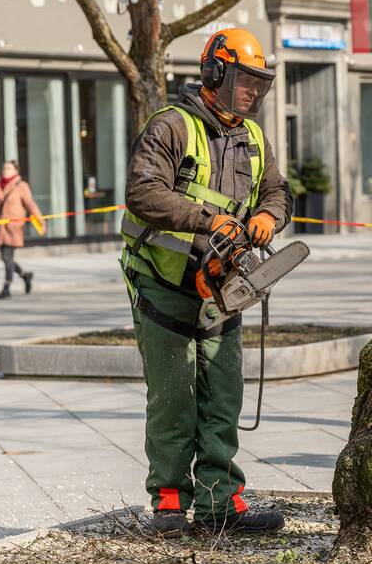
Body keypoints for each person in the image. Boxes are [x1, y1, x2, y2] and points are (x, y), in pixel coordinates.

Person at [120, 28, 292, 538]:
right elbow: (143, 193)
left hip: (222, 286)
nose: (253, 91)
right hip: (163, 283)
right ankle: (170, 503)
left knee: (222, 396)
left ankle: (221, 502)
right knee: (173, 398)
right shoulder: (171, 128)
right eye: (245, 80)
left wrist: (269, 216)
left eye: (260, 83)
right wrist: (207, 219)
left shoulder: (253, 138)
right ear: (216, 73)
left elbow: (279, 191)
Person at [0, 160, 43, 300]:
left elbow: (30, 205)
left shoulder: (21, 186)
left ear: (16, 171)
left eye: (9, 168)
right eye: (4, 168)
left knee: (7, 257)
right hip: (0, 228)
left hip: (14, 227)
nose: (5, 171)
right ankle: (25, 276)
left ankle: (6, 288)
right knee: (5, 257)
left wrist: (40, 220)